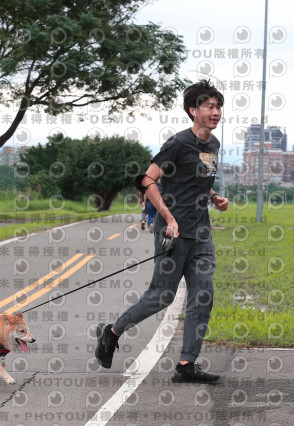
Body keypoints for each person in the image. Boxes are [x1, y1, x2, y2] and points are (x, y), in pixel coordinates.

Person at [94, 79, 229, 383]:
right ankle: (112, 332)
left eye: (219, 106)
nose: (216, 111)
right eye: (209, 106)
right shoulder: (179, 143)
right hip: (173, 232)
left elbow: (196, 181)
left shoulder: (214, 145)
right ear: (193, 110)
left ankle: (186, 365)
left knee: (203, 295)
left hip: (201, 234)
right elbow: (146, 180)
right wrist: (167, 216)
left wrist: (214, 198)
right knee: (162, 296)